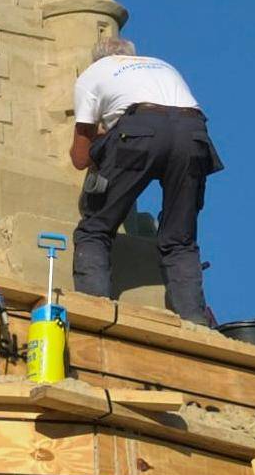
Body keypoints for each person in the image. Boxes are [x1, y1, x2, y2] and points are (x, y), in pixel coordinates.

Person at [69, 36, 223, 325]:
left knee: (95, 229)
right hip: (194, 134)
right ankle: (195, 321)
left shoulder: (93, 74)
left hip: (140, 131)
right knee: (180, 240)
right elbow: (168, 124)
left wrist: (101, 141)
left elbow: (79, 158)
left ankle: (94, 310)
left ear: (97, 59)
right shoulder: (161, 65)